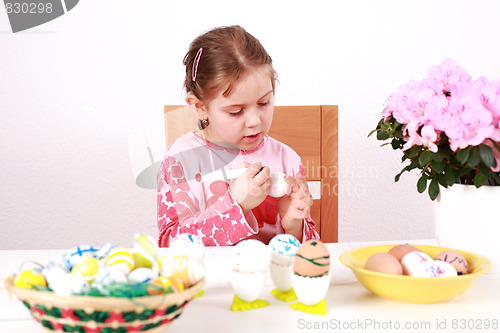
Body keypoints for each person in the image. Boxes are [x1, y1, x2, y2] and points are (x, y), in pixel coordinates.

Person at [157, 25, 320, 246]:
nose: (254, 121)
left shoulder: (286, 159)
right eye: (236, 111)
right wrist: (236, 205)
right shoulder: (182, 158)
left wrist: (294, 226)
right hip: (210, 280)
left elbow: (310, 253)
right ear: (200, 107)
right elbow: (169, 243)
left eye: (264, 103)